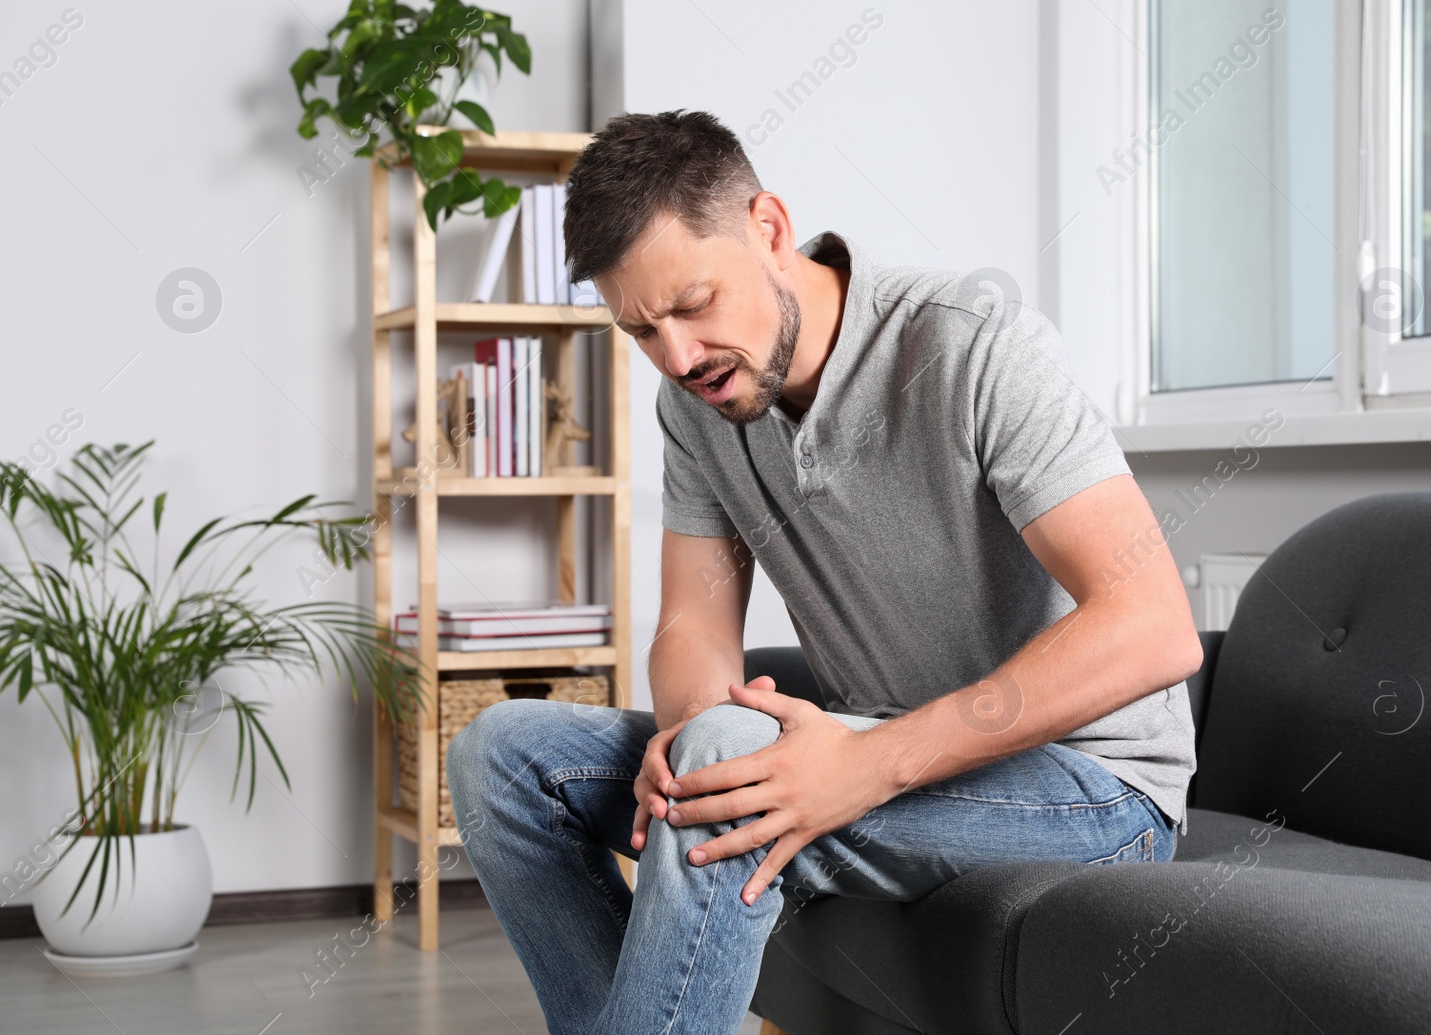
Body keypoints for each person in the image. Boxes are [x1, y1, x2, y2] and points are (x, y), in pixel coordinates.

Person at [445, 109, 1202, 1035]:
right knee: (502, 757)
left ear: (767, 228)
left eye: (691, 305)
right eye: (641, 330)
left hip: (1093, 787)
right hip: (877, 744)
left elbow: (1153, 622)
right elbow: (692, 628)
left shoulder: (971, 346)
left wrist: (866, 763)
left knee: (727, 757)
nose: (678, 356)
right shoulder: (697, 405)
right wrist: (685, 736)